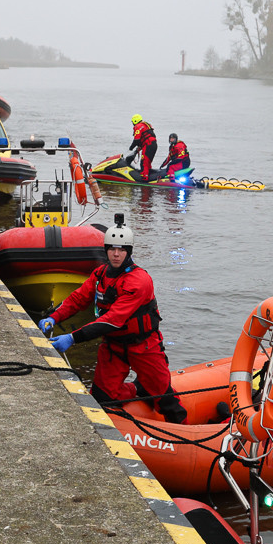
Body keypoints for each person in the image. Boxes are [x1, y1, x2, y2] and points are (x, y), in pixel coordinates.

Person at [38, 213, 187, 424]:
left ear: (129, 252)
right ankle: (137, 388)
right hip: (114, 348)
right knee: (101, 399)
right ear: (106, 250)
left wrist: (72, 338)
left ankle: (183, 433)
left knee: (165, 401)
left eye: (121, 249)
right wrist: (53, 317)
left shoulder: (138, 281)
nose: (116, 254)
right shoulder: (100, 274)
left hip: (143, 347)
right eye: (112, 249)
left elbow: (112, 320)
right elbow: (78, 299)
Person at [128, 114, 157, 181]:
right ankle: (149, 174)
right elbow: (145, 138)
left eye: (132, 122)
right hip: (153, 145)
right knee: (148, 162)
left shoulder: (138, 126)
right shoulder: (145, 125)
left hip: (148, 145)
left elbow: (136, 140)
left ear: (135, 121)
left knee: (144, 162)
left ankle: (144, 178)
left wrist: (131, 148)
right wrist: (139, 148)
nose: (132, 123)